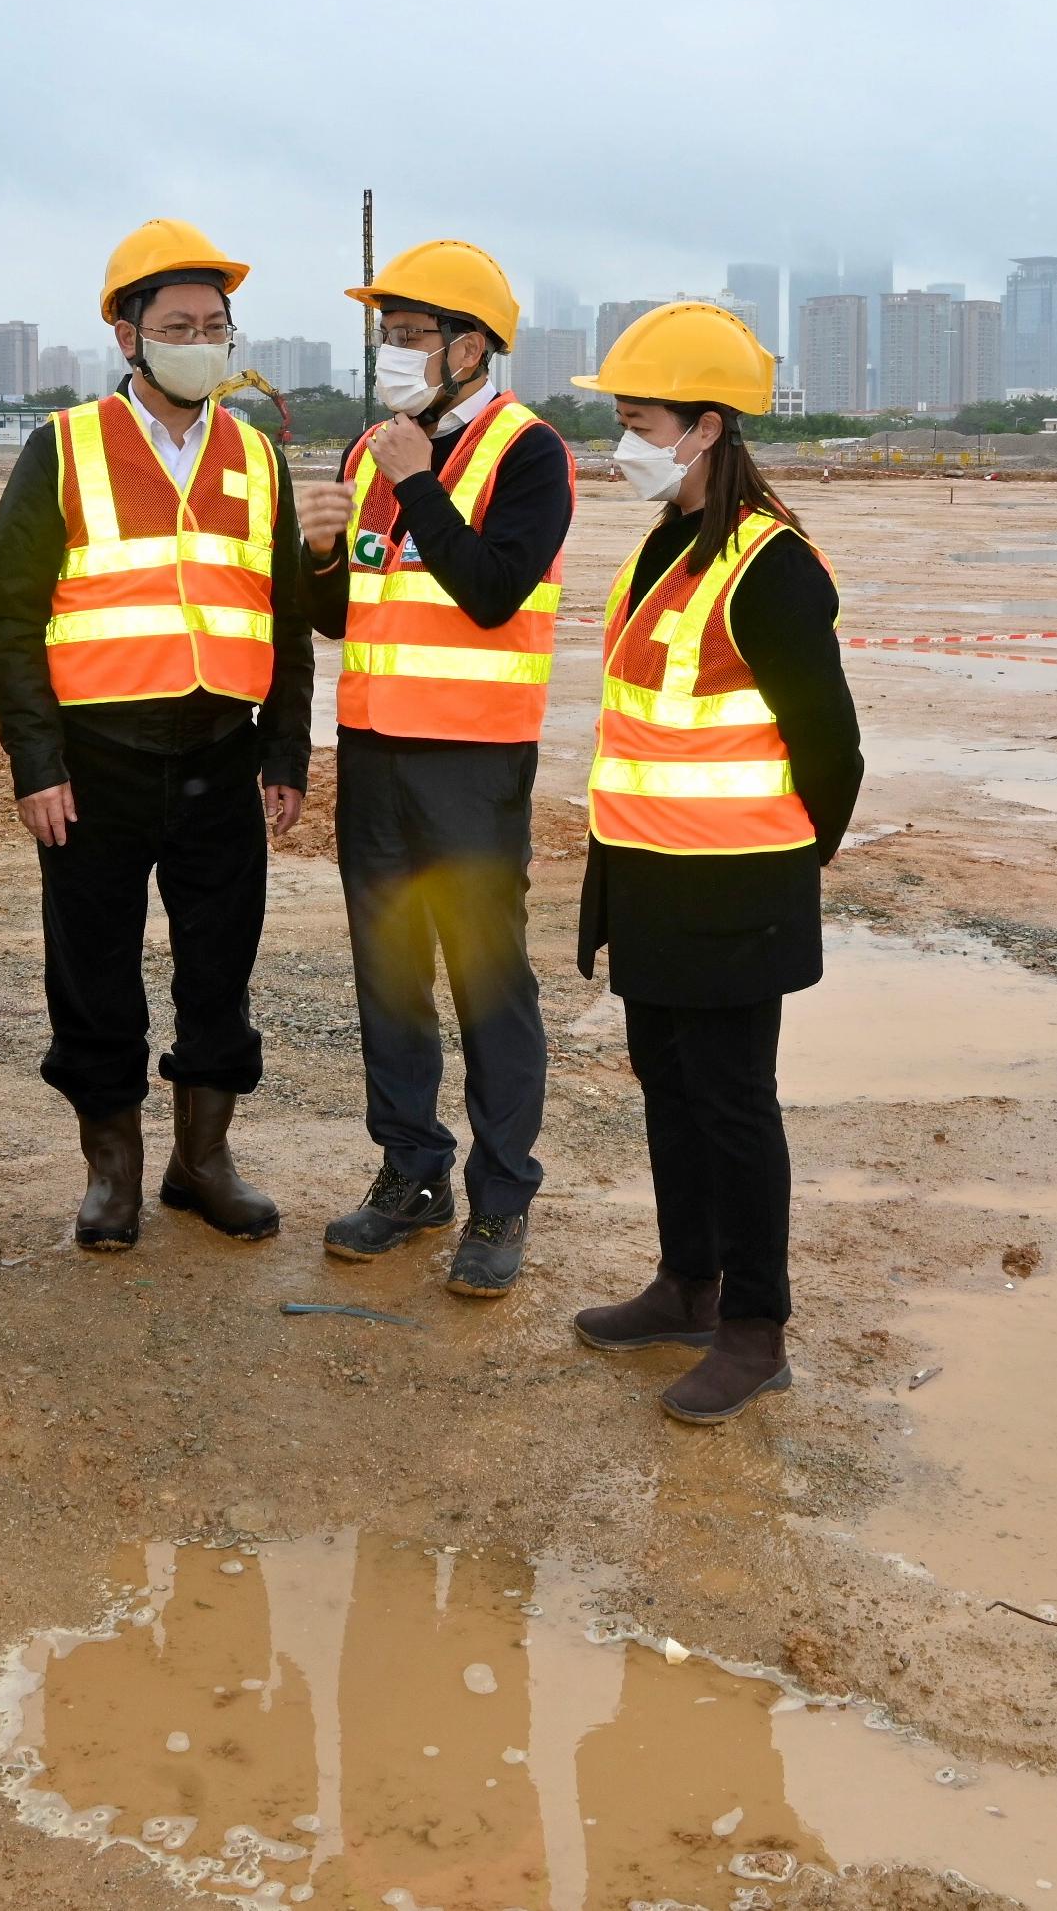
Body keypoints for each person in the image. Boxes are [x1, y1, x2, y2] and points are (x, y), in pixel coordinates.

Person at [0, 219, 312, 1251]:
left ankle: (200, 1159)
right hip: (96, 761)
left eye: (215, 324)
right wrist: (34, 762)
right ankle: (111, 1171)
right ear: (127, 335)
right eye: (177, 324)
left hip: (220, 751)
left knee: (219, 967)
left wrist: (287, 754)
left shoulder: (256, 455)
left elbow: (286, 616)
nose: (201, 340)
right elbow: (11, 616)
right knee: (93, 970)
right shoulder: (63, 447)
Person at [563, 303, 861, 1425]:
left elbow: (831, 748)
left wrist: (784, 869)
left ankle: (754, 1327)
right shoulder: (665, 542)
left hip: (735, 889)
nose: (622, 436)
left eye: (636, 417)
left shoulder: (772, 566)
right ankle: (685, 1283)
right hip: (645, 877)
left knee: (735, 1109)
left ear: (700, 430)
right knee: (671, 1096)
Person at [294, 238, 572, 1295]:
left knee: (487, 981)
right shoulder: (368, 453)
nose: (391, 355)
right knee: (390, 975)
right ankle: (412, 1173)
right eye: (387, 337)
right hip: (372, 755)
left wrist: (418, 488)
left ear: (467, 346)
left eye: (408, 337)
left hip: (472, 763)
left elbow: (493, 588)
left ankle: (501, 1199)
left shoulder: (526, 450)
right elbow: (341, 615)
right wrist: (319, 556)